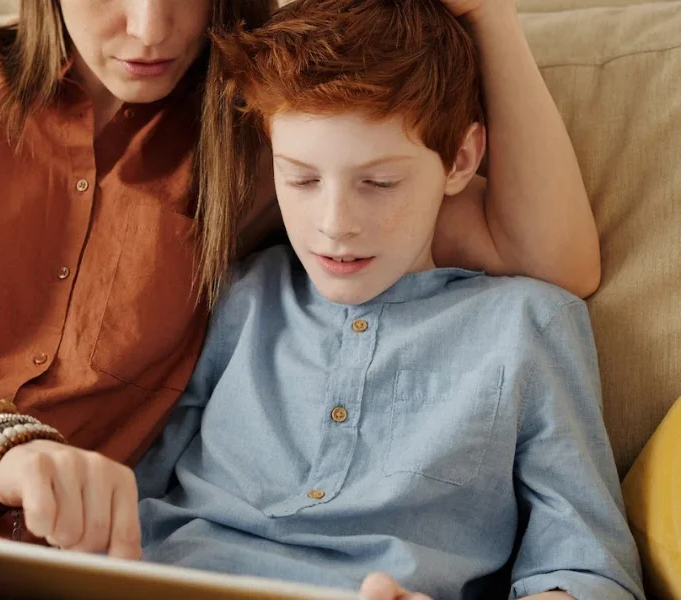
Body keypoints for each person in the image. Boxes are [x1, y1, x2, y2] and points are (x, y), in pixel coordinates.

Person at [0, 0, 600, 598]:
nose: (148, 28)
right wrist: (7, 447)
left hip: (22, 558)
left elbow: (542, 259)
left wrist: (490, 15)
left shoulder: (263, 141)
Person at [133, 1, 644, 599]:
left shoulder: (526, 324)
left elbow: (586, 566)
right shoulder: (242, 294)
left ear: (460, 160)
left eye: (378, 184)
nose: (334, 224)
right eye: (300, 179)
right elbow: (131, 491)